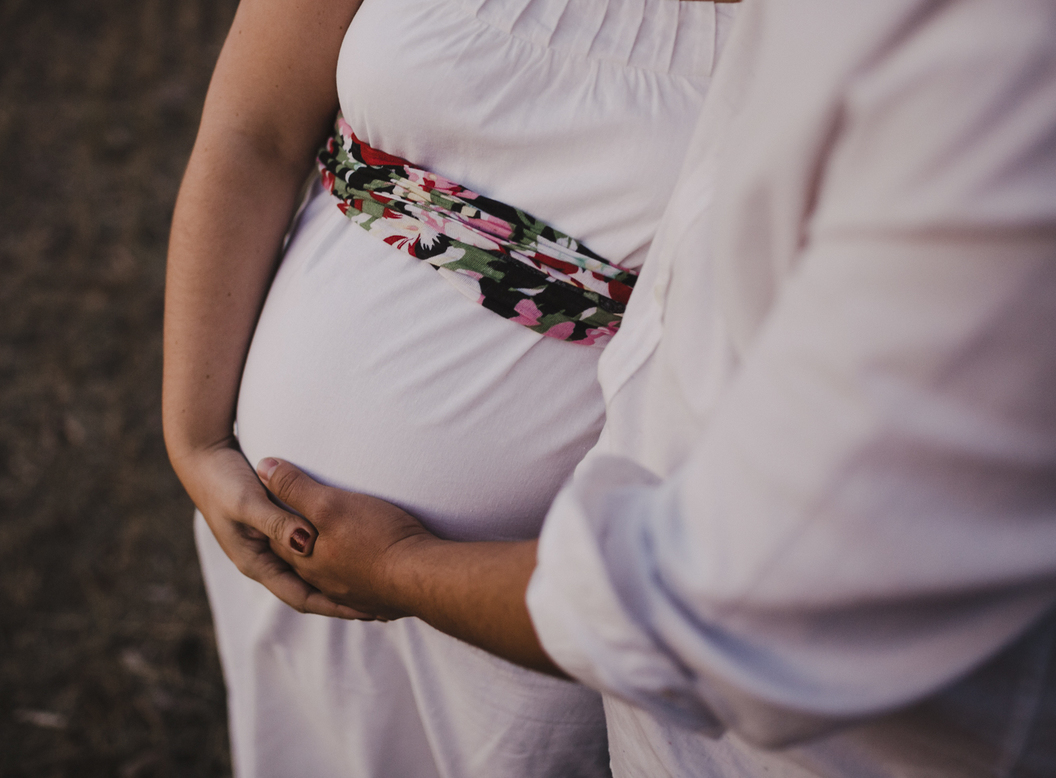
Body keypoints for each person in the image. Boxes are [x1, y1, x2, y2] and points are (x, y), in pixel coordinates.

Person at [251, 0, 1056, 775]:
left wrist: (399, 567)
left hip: (696, 690)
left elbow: (740, 603)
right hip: (482, 618)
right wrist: (198, 436)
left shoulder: (998, 94)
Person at [162, 0, 741, 775]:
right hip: (269, 517)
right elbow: (254, 136)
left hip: (521, 616)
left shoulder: (849, 36)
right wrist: (195, 439)